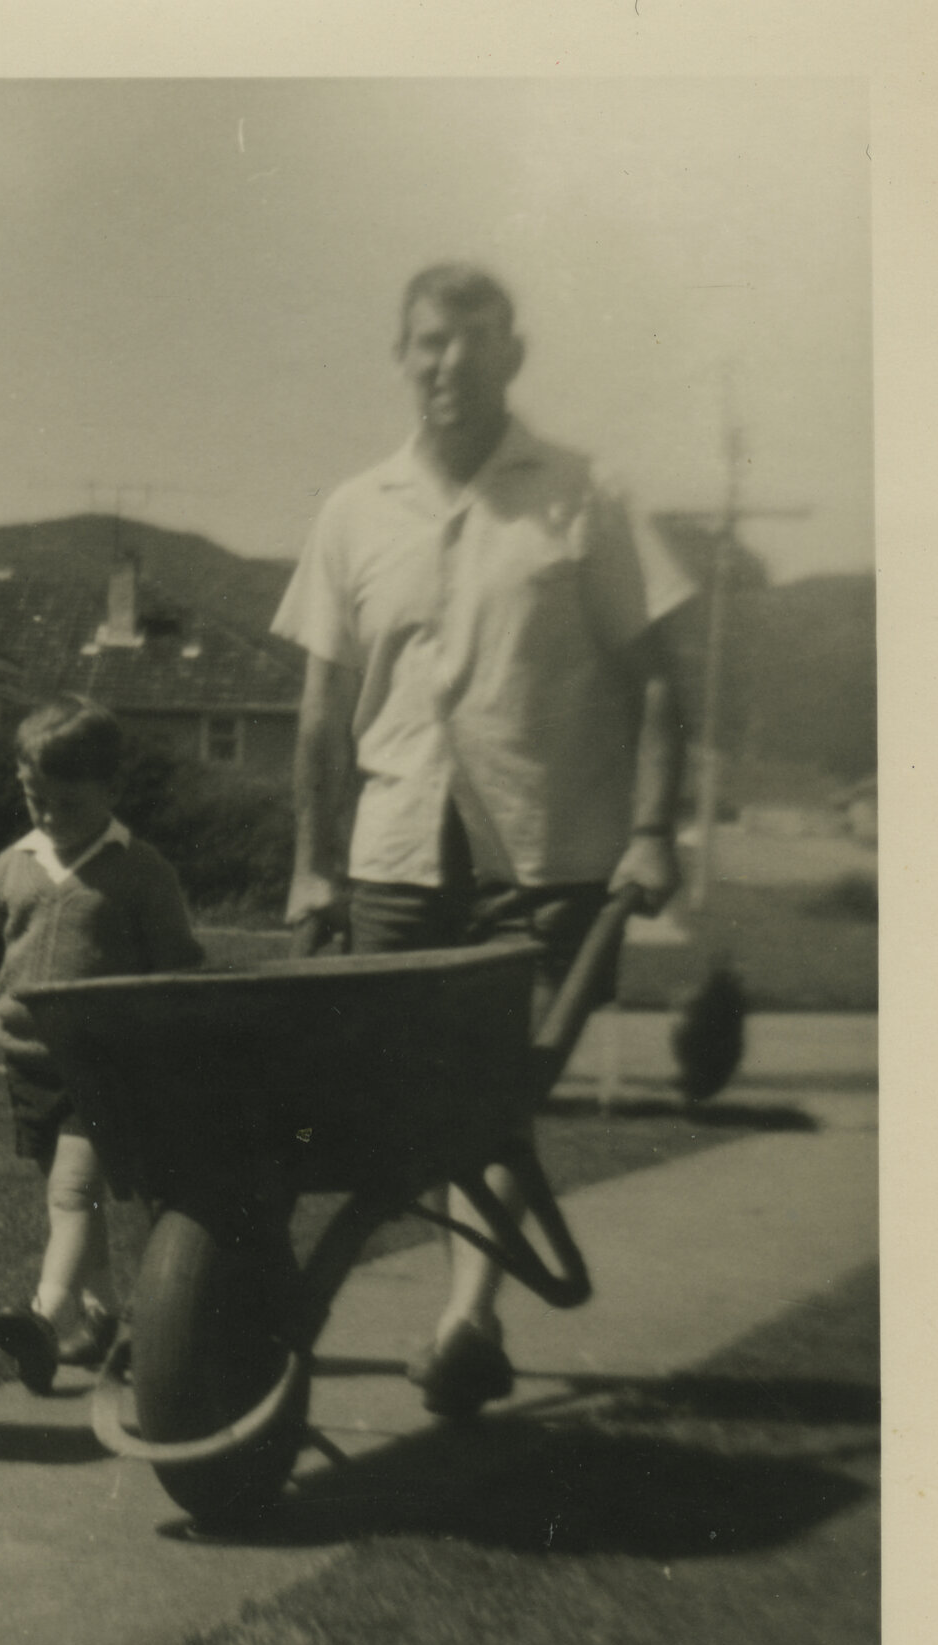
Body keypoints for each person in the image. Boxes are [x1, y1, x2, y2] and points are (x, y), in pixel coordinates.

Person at [272, 261, 694, 1415]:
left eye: (470, 342)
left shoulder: (584, 495)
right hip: (396, 852)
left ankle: (464, 1320)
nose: (446, 364)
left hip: (548, 852)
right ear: (400, 356)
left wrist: (652, 831)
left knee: (494, 1097)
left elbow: (654, 681)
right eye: (425, 343)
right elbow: (320, 708)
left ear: (513, 354)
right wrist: (313, 863)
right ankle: (325, 1310)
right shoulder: (355, 509)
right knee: (405, 1104)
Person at [0, 696, 202, 1392]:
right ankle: (102, 1315)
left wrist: (174, 1037)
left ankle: (44, 1315)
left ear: (109, 790)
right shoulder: (11, 866)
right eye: (34, 798)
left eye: (65, 802)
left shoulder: (139, 870)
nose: (47, 815)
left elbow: (177, 965)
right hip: (28, 1064)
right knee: (68, 1198)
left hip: (108, 1063)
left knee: (73, 1189)